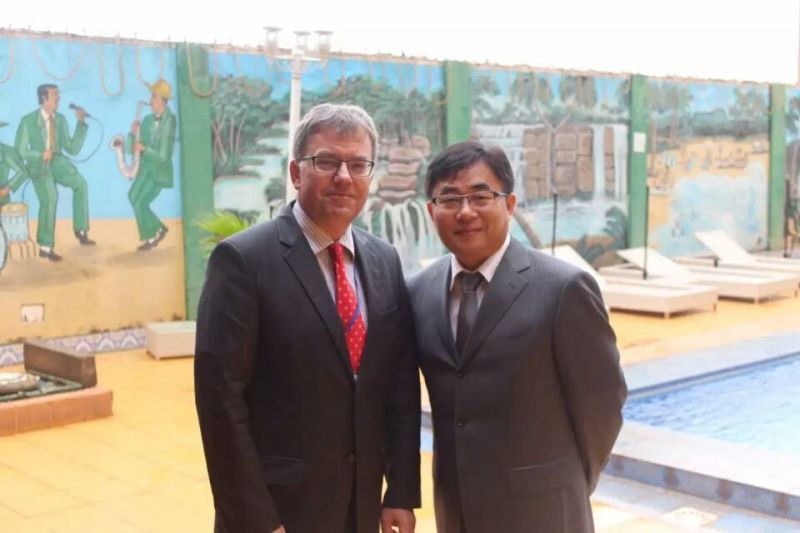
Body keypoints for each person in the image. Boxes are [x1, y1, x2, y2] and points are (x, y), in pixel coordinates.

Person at [195, 103, 421, 533]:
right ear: (296, 173)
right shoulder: (243, 261)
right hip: (279, 510)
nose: (344, 176)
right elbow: (220, 402)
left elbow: (399, 383)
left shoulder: (384, 260)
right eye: (327, 162)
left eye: (358, 164)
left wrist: (401, 490)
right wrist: (257, 521)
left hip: (360, 507)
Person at [408, 141, 627, 533]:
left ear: (509, 204)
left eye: (481, 197)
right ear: (431, 211)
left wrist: (568, 482)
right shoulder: (418, 292)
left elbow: (603, 403)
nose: (465, 212)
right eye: (450, 199)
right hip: (457, 511)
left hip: (545, 511)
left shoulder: (563, 289)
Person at [15, 84, 94, 261]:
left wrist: (81, 123)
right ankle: (45, 246)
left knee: (80, 184)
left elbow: (72, 148)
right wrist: (40, 154)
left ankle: (81, 230)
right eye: (55, 95)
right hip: (39, 165)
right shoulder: (28, 121)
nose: (58, 99)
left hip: (57, 163)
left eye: (58, 95)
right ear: (44, 98)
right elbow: (20, 151)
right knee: (50, 198)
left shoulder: (61, 120)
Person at [128, 79, 176, 251]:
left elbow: (163, 156)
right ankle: (159, 228)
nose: (150, 100)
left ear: (163, 100)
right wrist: (133, 134)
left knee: (140, 202)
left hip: (159, 172)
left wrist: (144, 149)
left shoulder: (170, 121)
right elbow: (133, 148)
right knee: (133, 195)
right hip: (145, 169)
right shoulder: (148, 119)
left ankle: (150, 237)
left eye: (154, 97)